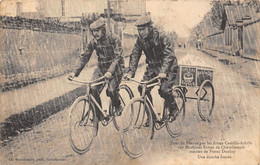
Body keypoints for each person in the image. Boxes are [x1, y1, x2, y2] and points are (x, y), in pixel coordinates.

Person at [124, 16, 179, 126]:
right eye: (139, 30)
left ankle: (174, 109)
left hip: (168, 67)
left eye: (143, 29)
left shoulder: (162, 36)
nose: (141, 32)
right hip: (152, 67)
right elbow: (135, 54)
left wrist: (163, 71)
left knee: (164, 90)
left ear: (150, 28)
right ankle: (151, 117)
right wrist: (131, 72)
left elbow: (169, 55)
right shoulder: (140, 40)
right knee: (142, 88)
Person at [69, 18, 124, 121]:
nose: (95, 33)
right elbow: (84, 57)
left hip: (116, 68)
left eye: (97, 31)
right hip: (101, 68)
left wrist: (110, 71)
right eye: (94, 31)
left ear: (103, 30)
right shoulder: (93, 42)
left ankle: (118, 106)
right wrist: (74, 72)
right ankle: (99, 115)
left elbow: (118, 57)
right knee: (93, 88)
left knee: (111, 90)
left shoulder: (114, 39)